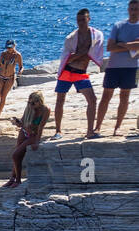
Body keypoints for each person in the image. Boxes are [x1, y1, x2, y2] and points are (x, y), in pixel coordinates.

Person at [52, 8, 107, 138]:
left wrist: (80, 54)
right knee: (60, 100)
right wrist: (82, 54)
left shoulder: (96, 36)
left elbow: (94, 53)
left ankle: (89, 132)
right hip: (67, 71)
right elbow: (67, 58)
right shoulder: (71, 38)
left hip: (80, 72)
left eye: (83, 20)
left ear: (89, 19)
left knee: (92, 100)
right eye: (78, 20)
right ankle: (58, 131)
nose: (80, 23)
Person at [95, 1, 139, 134]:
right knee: (106, 96)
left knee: (124, 97)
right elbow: (110, 47)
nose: (133, 11)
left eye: (136, 9)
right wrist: (131, 45)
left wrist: (123, 44)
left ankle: (117, 127)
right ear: (128, 10)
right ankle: (97, 127)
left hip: (131, 68)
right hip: (113, 66)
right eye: (131, 9)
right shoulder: (119, 26)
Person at [2, 91, 53, 187]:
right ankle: (12, 179)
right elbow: (23, 121)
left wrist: (37, 142)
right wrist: (18, 123)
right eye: (29, 102)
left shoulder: (45, 110)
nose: (30, 105)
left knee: (15, 155)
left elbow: (40, 127)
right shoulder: (29, 108)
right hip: (24, 131)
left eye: (33, 103)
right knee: (18, 155)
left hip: (34, 134)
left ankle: (18, 180)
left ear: (39, 101)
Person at [0, 41, 24, 117]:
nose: (8, 49)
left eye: (10, 47)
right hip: (1, 76)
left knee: (3, 96)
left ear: (14, 46)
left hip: (10, 78)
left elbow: (21, 66)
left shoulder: (17, 55)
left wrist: (20, 71)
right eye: (7, 47)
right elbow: (0, 65)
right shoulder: (3, 54)